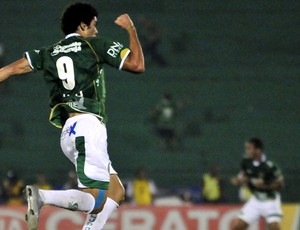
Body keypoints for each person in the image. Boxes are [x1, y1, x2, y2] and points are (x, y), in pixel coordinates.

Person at [0, 2, 144, 230]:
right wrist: (131, 29)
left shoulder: (47, 53)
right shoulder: (95, 45)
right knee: (96, 201)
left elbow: (9, 70)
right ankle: (42, 198)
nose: (97, 30)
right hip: (88, 127)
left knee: (116, 191)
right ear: (83, 25)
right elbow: (137, 64)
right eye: (95, 25)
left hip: (70, 131)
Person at [231, 138, 284, 230]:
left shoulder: (270, 166)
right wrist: (238, 180)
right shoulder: (246, 162)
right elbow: (243, 174)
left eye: (249, 148)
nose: (247, 151)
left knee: (274, 227)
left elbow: (280, 184)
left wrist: (265, 186)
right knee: (237, 227)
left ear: (258, 150)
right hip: (256, 200)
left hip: (270, 200)